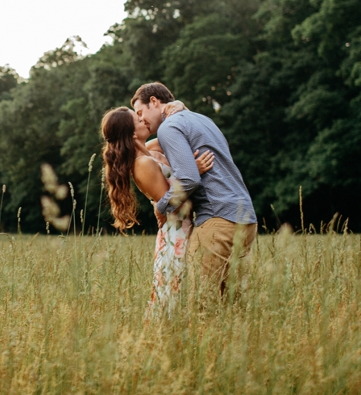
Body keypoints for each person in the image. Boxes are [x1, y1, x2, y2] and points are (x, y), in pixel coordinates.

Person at [131, 82, 257, 294]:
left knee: (201, 304)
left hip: (217, 220)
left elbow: (189, 179)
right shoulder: (201, 120)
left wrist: (161, 206)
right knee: (233, 306)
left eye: (140, 112)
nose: (141, 119)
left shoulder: (168, 128)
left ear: (154, 101)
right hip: (245, 219)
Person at [100, 105, 214, 315]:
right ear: (133, 133)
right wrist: (193, 170)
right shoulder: (141, 163)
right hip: (174, 235)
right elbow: (171, 204)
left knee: (181, 294)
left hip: (185, 228)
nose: (144, 120)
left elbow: (177, 133)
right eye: (138, 119)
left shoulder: (149, 150)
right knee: (168, 299)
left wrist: (179, 107)